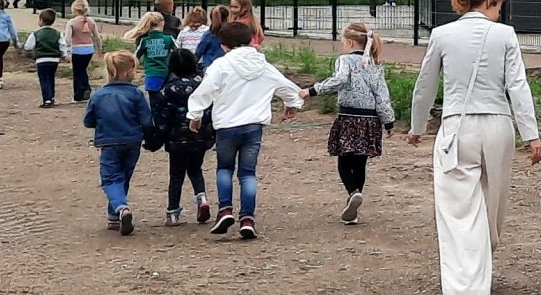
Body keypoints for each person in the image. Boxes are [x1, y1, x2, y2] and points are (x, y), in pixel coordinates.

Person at [405, 0, 541, 295]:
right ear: (491, 3)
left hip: (457, 127)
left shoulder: (442, 34)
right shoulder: (505, 35)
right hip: (498, 126)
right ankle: (481, 267)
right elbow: (518, 87)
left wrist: (417, 126)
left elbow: (425, 84)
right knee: (493, 205)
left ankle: (467, 289)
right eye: (499, 7)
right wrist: (532, 134)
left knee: (457, 209)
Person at [185, 18, 305, 244]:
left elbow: (204, 92)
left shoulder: (220, 66)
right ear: (252, 39)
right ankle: (247, 219)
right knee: (248, 173)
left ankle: (225, 210)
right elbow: (287, 87)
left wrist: (195, 115)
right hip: (253, 127)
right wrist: (292, 103)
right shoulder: (264, 65)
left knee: (224, 169)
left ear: (223, 45)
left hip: (227, 126)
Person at [308, 21, 397, 226]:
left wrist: (313, 90)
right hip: (370, 120)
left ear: (349, 43)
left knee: (343, 160)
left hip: (349, 117)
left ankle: (352, 193)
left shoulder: (345, 60)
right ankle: (355, 203)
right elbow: (382, 94)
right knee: (360, 163)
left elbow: (338, 80)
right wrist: (389, 121)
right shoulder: (375, 64)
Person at [82, 51, 153, 235]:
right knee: (123, 177)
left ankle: (121, 208)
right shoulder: (136, 94)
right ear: (130, 72)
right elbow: (146, 120)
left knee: (110, 179)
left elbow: (88, 121)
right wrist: (151, 137)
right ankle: (114, 216)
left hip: (109, 141)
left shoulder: (98, 95)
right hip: (132, 141)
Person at [151, 45, 214, 227]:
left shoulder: (167, 90)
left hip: (177, 138)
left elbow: (161, 119)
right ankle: (201, 197)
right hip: (201, 135)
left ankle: (173, 212)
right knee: (196, 168)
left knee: (176, 174)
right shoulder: (203, 85)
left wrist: (156, 139)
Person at [23, 7, 66, 107]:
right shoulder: (58, 33)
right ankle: (52, 97)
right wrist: (64, 55)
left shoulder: (36, 34)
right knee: (51, 78)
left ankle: (47, 99)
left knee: (44, 79)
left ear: (41, 20)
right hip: (54, 60)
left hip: (41, 59)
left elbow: (28, 46)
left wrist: (29, 52)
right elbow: (62, 45)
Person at [132, 10, 177, 95]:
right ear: (162, 23)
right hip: (166, 73)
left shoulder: (144, 40)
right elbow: (179, 52)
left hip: (151, 73)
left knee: (154, 100)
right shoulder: (169, 38)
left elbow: (135, 57)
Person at [66, 0, 100, 104]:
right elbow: (97, 37)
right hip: (89, 49)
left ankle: (78, 94)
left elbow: (67, 38)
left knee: (77, 72)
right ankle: (86, 88)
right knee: (83, 70)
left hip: (77, 49)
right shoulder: (91, 21)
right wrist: (99, 48)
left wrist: (66, 50)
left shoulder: (71, 22)